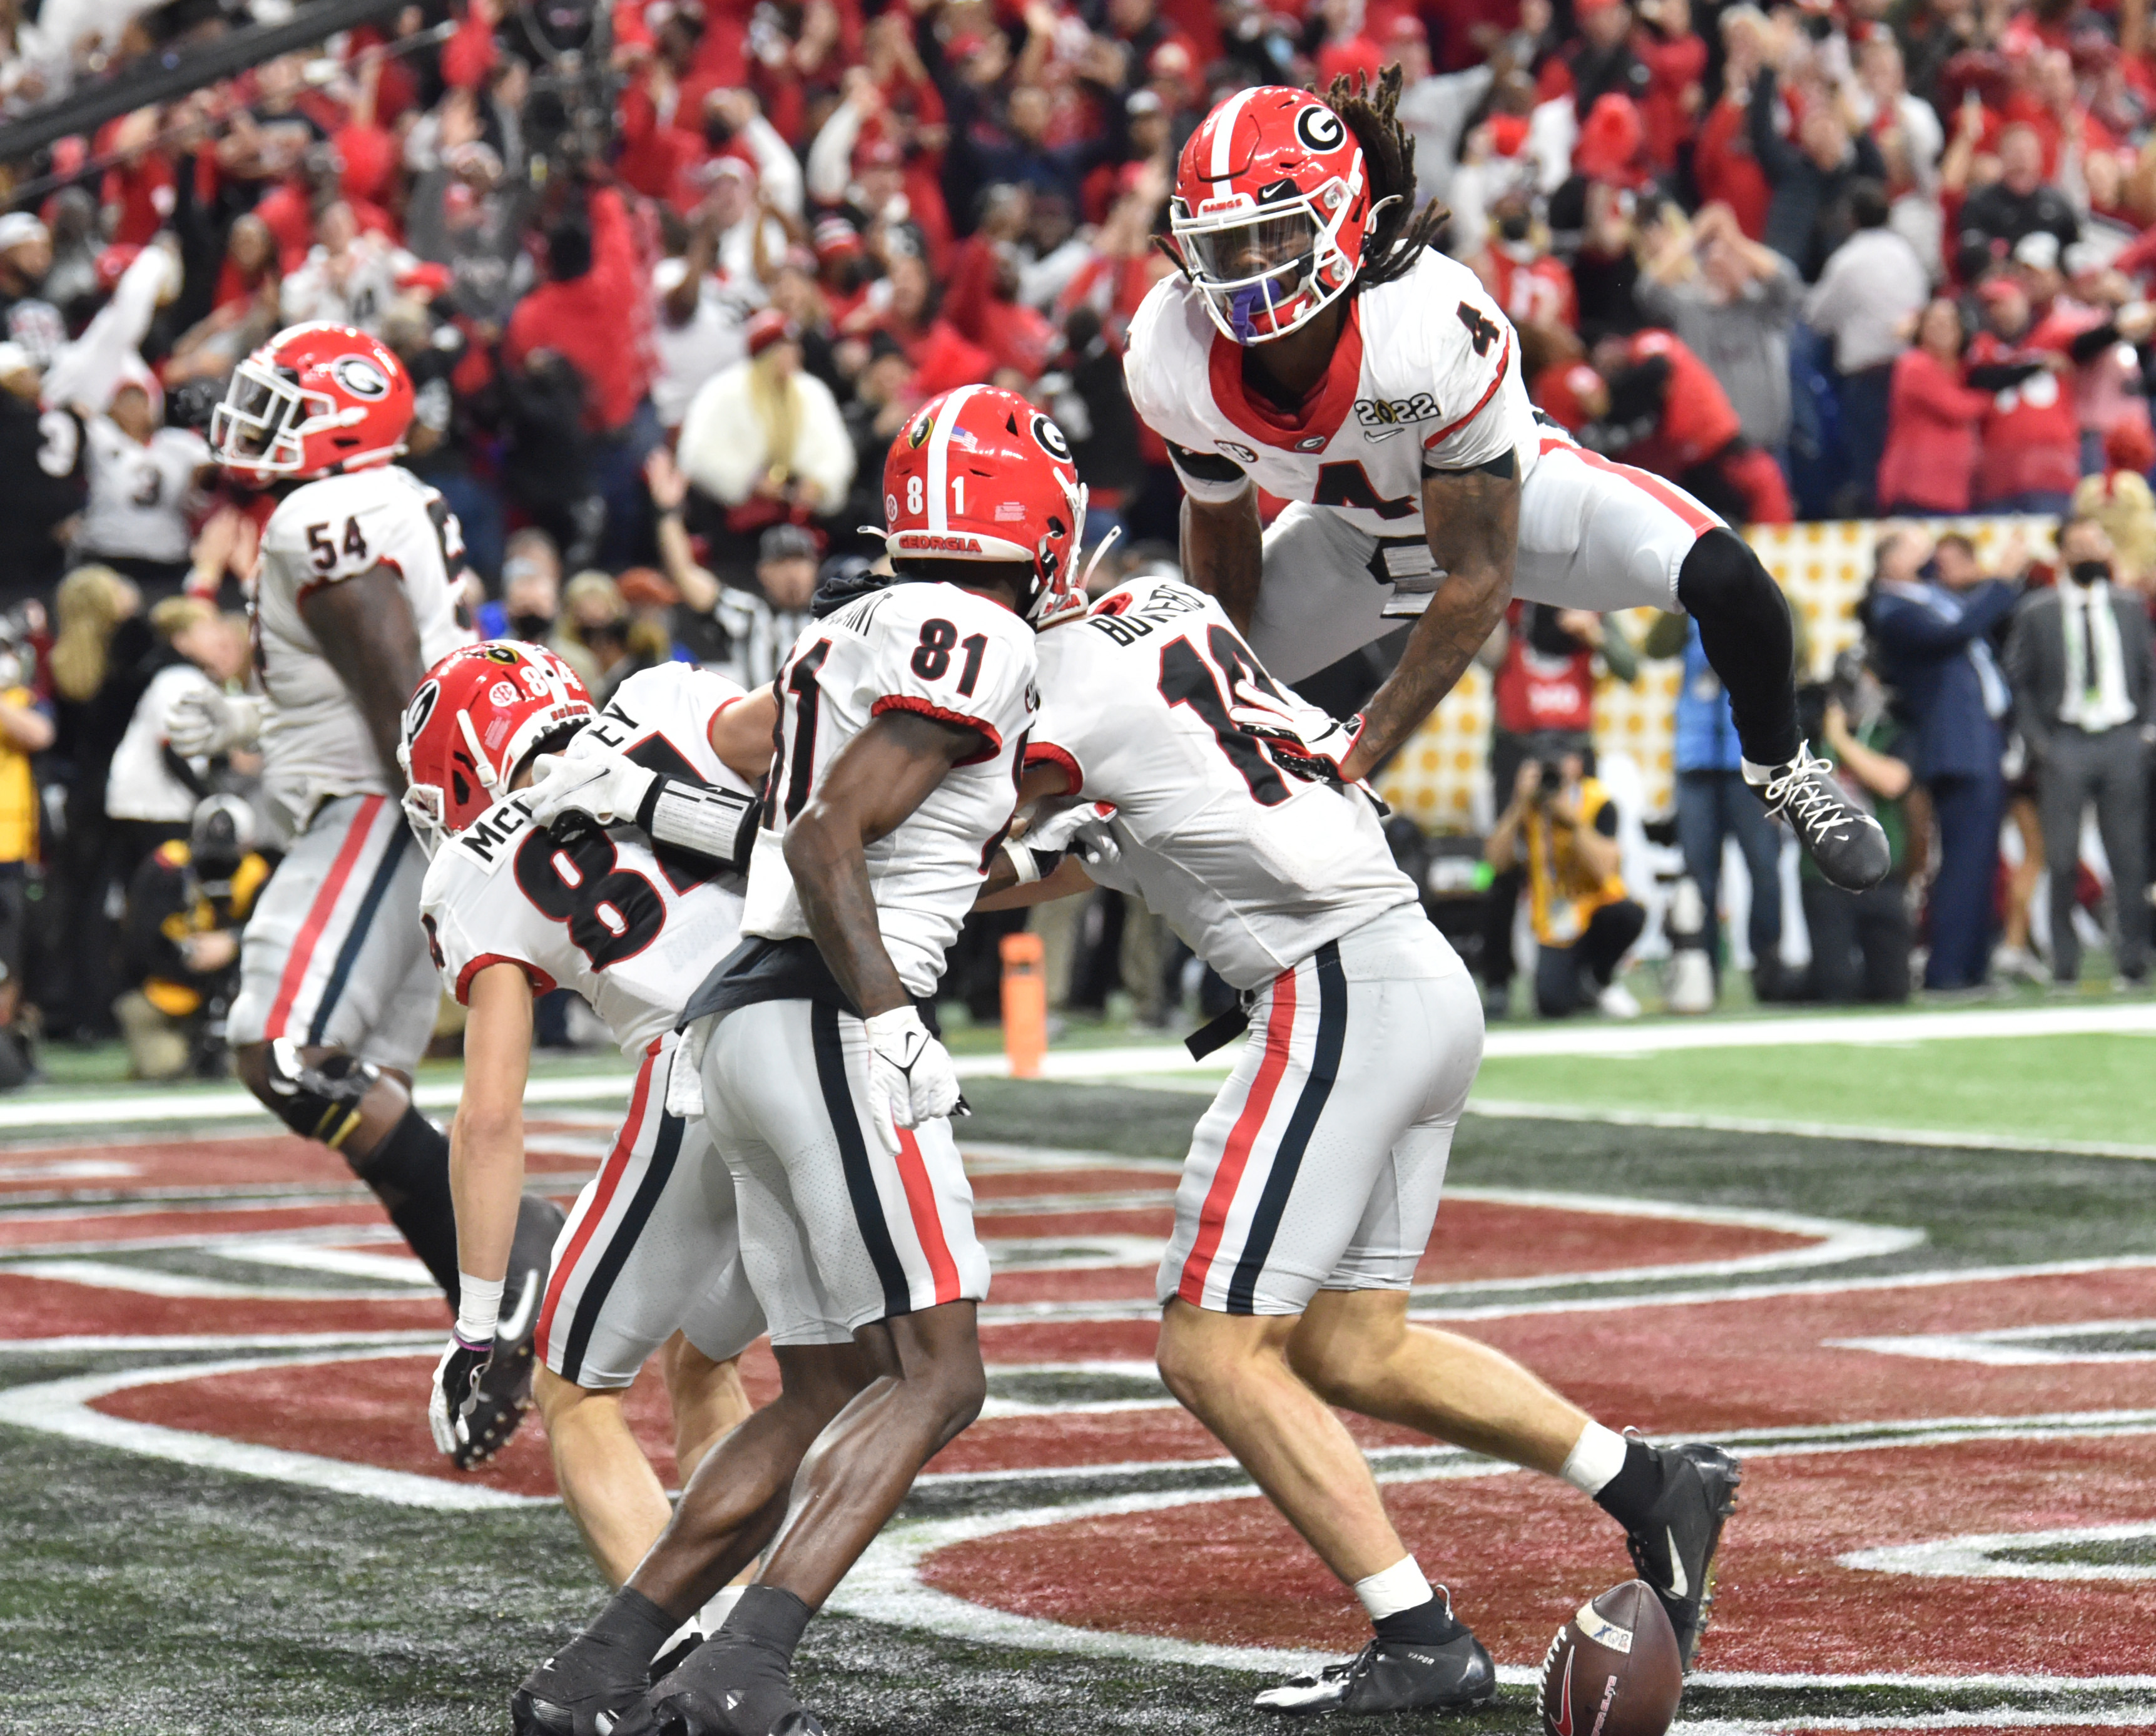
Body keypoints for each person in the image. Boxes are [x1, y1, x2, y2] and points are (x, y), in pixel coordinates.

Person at [994, 568, 1737, 1712]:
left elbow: (972, 817)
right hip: (1415, 971)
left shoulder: (1064, 687)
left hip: (1334, 986)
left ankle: (1419, 1631)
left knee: (1210, 1344)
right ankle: (1648, 1482)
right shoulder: (1167, 621)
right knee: (1350, 1344)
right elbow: (1069, 846)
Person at [511, 387, 1067, 1736]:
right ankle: (742, 1672)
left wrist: (1042, 861)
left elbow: (815, 813)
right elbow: (826, 842)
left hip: (745, 1021)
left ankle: (594, 1673)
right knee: (939, 1372)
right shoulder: (980, 631)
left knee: (825, 1384)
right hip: (825, 1014)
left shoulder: (846, 629)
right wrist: (889, 1019)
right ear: (1031, 519)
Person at [1127, 72, 1888, 897]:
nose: (1246, 272)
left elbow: (1478, 576)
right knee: (1169, 697)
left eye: (1272, 237)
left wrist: (1356, 747)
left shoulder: (1426, 322)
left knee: (1724, 574)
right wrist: (1228, 681)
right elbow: (1219, 524)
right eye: (1224, 244)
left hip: (1511, 509)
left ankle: (1782, 764)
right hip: (1351, 541)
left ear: (1344, 218)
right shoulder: (1171, 349)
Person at [178, 321, 562, 1447]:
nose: (252, 424)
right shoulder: (379, 500)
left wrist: (455, 842)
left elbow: (400, 685)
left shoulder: (322, 514)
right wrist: (257, 722)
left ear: (341, 417)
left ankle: (517, 1244)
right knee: (359, 1084)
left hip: (384, 807)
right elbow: (372, 668)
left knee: (285, 1052)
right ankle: (486, 1306)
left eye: (278, 403)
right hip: (393, 797)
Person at [402, 641, 779, 1597]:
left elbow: (488, 1116)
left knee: (573, 1391)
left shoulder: (470, 875)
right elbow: (804, 725)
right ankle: (747, 1629)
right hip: (849, 1037)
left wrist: (477, 1327)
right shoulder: (666, 695)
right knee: (707, 1357)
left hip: (703, 1061)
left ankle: (692, 1642)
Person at [2005, 516, 2156, 989]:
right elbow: (2020, 680)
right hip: (2065, 740)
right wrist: (2039, 741)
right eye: (2079, 545)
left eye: (2096, 543)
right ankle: (2065, 967)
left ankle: (2132, 962)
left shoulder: (2130, 606)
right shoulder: (2039, 610)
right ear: (2063, 555)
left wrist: (2146, 731)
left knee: (2128, 857)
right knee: (2063, 859)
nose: (2089, 553)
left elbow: (2148, 670)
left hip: (2121, 738)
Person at [1865, 528, 2018, 993]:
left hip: (1980, 737)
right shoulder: (1892, 609)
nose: (1926, 555)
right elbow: (1957, 632)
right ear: (1888, 562)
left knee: (1982, 858)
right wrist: (2003, 581)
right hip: (1955, 743)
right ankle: (1948, 970)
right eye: (1913, 548)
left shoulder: (1928, 596)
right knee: (1963, 860)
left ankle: (1972, 966)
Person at [1646, 611, 1787, 999]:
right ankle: (1701, 971)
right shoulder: (1686, 605)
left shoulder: (1767, 597)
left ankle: (1767, 967)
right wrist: (1681, 606)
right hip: (1696, 761)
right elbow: (1654, 649)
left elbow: (1797, 657)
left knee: (1764, 867)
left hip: (1750, 761)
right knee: (1700, 877)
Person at [1486, 741, 1647, 1016]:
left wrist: (1571, 821)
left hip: (1595, 910)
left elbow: (1606, 868)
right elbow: (1496, 863)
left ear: (1577, 766)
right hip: (1555, 923)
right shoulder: (1529, 806)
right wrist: (1518, 806)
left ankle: (1599, 978)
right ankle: (1575, 987)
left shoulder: (1597, 800)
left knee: (1628, 914)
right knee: (1553, 1005)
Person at [115, 795, 268, 1081]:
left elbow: (278, 936)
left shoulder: (256, 874)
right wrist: (186, 956)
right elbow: (137, 941)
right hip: (164, 992)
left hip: (231, 999)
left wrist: (234, 942)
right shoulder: (166, 868)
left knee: (246, 1071)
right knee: (165, 1066)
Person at [1801, 181, 1927, 516]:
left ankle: (1873, 513)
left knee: (1868, 453)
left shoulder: (1848, 260)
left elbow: (1817, 317)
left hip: (1867, 373)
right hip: (1907, 368)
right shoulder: (1906, 253)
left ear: (1852, 219)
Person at [1796, 669, 1914, 1003]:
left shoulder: (1890, 735)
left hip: (1883, 877)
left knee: (1892, 990)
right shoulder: (1808, 744)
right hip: (1824, 880)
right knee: (1835, 988)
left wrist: (1841, 741)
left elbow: (1893, 782)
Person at [105, 597, 246, 877]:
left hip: (152, 806)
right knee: (161, 892)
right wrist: (210, 799)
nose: (217, 637)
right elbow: (172, 750)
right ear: (182, 641)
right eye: (205, 630)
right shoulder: (179, 679)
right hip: (153, 808)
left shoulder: (186, 677)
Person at [1877, 299, 1995, 518]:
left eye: (1950, 323)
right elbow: (1957, 408)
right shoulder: (1914, 365)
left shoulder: (1959, 371)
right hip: (1917, 489)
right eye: (1935, 323)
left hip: (1953, 491)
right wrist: (1992, 394)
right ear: (1921, 330)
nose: (1943, 329)